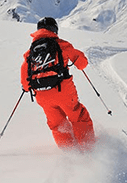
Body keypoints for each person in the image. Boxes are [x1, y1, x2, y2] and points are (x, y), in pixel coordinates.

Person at [21, 17, 95, 151]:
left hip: (42, 95)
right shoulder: (61, 44)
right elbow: (82, 63)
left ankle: (69, 152)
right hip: (63, 91)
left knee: (57, 124)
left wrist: (27, 87)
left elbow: (25, 80)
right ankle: (88, 149)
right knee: (78, 116)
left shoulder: (30, 52)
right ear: (54, 29)